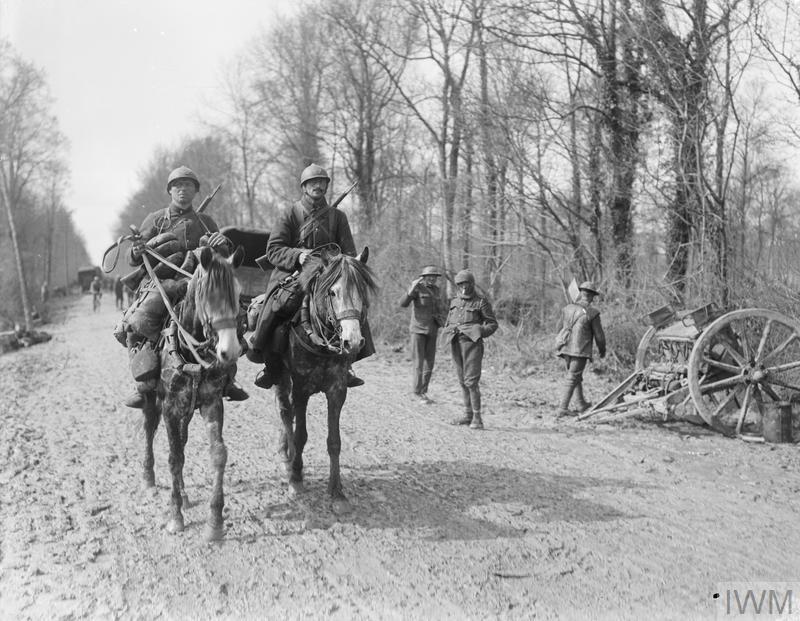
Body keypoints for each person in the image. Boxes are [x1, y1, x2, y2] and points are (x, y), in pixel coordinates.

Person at [122, 165, 249, 408]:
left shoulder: (206, 221)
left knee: (233, 314)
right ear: (170, 190)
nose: (183, 190)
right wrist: (137, 250)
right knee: (139, 321)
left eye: (188, 186)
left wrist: (223, 243)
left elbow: (222, 255)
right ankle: (143, 382)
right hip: (163, 281)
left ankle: (228, 377)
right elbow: (134, 254)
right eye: (177, 186)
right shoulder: (157, 219)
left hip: (200, 282)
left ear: (195, 191)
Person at [250, 163, 371, 389]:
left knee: (352, 305)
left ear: (326, 186)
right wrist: (298, 255)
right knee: (278, 307)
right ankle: (269, 361)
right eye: (313, 182)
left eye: (322, 182)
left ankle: (348, 363)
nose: (318, 185)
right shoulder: (290, 213)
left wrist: (340, 266)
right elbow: (273, 249)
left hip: (329, 276)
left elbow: (349, 254)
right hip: (294, 274)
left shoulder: (338, 217)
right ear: (304, 187)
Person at [442, 269, 498, 430]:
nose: (463, 287)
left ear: (472, 284)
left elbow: (492, 324)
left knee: (471, 381)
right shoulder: (454, 301)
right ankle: (467, 415)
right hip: (455, 343)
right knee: (462, 381)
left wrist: (479, 331)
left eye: (466, 283)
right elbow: (448, 321)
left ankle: (477, 418)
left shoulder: (481, 302)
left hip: (472, 345)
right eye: (460, 284)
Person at [555, 281, 606, 417]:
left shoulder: (567, 308)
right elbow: (599, 336)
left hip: (565, 348)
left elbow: (558, 327)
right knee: (573, 377)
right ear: (592, 296)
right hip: (580, 350)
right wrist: (602, 350)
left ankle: (580, 403)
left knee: (575, 375)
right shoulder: (592, 313)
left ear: (581, 294)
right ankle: (562, 408)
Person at [400, 265, 446, 403]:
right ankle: (417, 391)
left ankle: (423, 391)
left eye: (435, 276)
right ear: (423, 277)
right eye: (429, 276)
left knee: (430, 363)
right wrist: (411, 289)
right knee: (418, 362)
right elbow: (403, 304)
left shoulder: (437, 290)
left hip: (432, 329)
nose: (432, 279)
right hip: (418, 330)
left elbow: (440, 309)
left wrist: (444, 322)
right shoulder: (417, 288)